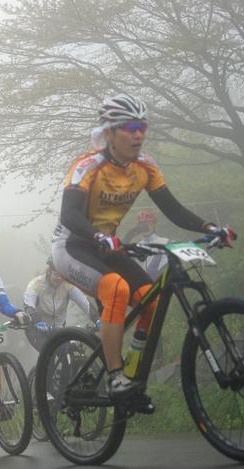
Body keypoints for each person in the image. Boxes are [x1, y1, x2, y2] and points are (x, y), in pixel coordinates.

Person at [51, 93, 235, 400]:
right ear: (108, 133)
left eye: (142, 126)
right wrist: (97, 236)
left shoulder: (146, 167)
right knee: (117, 291)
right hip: (72, 245)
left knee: (150, 301)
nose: (138, 134)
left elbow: (173, 210)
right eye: (130, 126)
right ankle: (115, 377)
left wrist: (210, 227)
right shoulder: (88, 166)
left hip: (107, 246)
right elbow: (69, 213)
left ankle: (133, 373)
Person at [23, 256, 100, 352]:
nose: (60, 279)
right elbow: (28, 306)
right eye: (56, 274)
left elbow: (85, 303)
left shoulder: (68, 284)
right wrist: (37, 321)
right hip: (37, 330)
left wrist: (97, 319)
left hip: (58, 329)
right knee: (49, 353)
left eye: (63, 275)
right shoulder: (35, 285)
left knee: (70, 351)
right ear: (49, 271)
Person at [123, 211, 170, 279]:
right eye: (142, 225)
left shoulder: (165, 242)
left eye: (148, 224)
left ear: (155, 224)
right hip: (142, 286)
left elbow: (166, 266)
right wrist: (129, 236)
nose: (145, 228)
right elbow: (120, 255)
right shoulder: (136, 247)